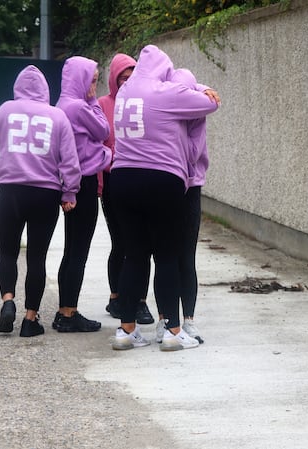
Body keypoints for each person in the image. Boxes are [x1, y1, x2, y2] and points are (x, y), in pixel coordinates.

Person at [110, 44, 219, 351]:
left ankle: (126, 329)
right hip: (161, 179)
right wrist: (202, 86)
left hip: (122, 178)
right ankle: (172, 330)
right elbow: (209, 104)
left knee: (134, 255)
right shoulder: (165, 94)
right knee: (167, 256)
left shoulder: (123, 95)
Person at [0, 65, 81, 337]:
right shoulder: (58, 116)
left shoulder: (7, 109)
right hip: (45, 193)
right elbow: (70, 161)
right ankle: (30, 319)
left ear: (18, 87)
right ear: (44, 89)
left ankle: (8, 300)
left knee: (7, 252)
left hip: (10, 190)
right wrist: (70, 192)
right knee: (37, 257)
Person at [154, 68, 220, 346]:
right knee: (165, 257)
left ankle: (188, 320)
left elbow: (193, 153)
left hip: (190, 187)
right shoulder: (165, 111)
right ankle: (166, 320)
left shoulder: (197, 117)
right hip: (169, 186)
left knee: (185, 257)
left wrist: (202, 91)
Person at [53, 55, 112, 333]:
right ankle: (68, 313)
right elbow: (103, 129)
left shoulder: (61, 104)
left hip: (69, 185)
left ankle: (64, 310)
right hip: (83, 184)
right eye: (92, 79)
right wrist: (106, 153)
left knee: (70, 249)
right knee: (79, 252)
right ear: (79, 79)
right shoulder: (79, 106)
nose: (94, 85)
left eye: (97, 80)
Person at [97, 53, 155, 325]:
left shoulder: (144, 102)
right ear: (113, 79)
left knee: (142, 244)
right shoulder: (102, 105)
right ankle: (116, 296)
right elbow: (98, 145)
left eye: (132, 78)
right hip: (112, 180)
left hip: (139, 178)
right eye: (122, 78)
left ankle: (140, 301)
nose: (127, 83)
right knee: (120, 241)